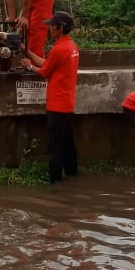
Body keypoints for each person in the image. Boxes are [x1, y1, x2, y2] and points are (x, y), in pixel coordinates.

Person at [20, 11, 80, 183]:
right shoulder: (71, 47)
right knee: (68, 142)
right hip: (67, 103)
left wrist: (29, 67)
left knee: (55, 146)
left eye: (52, 26)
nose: (49, 29)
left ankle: (54, 182)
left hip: (56, 105)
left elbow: (45, 72)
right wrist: (28, 53)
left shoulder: (59, 49)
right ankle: (72, 173)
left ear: (59, 28)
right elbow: (49, 64)